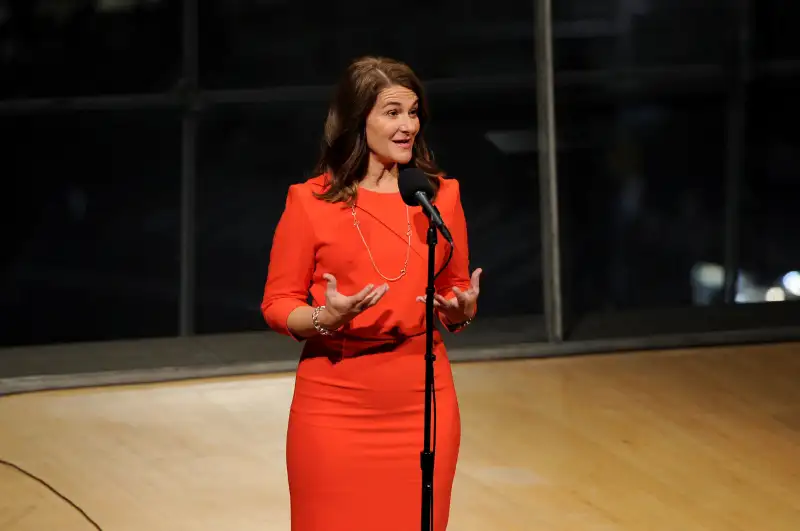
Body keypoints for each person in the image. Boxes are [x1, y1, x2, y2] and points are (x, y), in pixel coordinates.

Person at [260, 56, 482, 531]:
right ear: (359, 120)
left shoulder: (439, 197)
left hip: (423, 400)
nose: (408, 126)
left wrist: (462, 309)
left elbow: (455, 288)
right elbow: (278, 304)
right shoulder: (311, 201)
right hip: (335, 402)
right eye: (393, 112)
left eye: (414, 112)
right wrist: (326, 318)